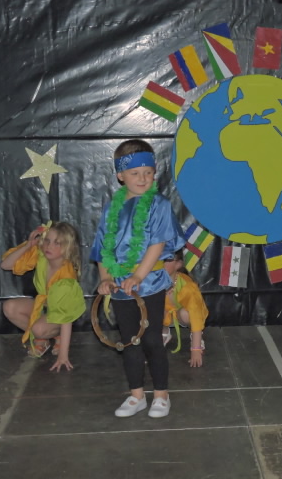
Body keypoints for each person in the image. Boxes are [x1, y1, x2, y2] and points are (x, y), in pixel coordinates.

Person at [91, 139, 185, 418]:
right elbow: (103, 248)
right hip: (121, 285)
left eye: (148, 172)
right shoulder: (111, 208)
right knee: (129, 340)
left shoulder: (159, 204)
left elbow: (158, 243)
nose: (143, 178)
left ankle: (161, 395)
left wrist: (138, 275)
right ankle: (136, 396)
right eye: (135, 173)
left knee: (152, 339)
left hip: (149, 281)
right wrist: (105, 278)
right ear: (121, 175)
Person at [1, 221, 86, 372]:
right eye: (47, 240)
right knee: (9, 307)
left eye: (57, 243)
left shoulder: (66, 278)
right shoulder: (41, 255)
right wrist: (28, 245)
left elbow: (66, 318)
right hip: (44, 307)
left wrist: (63, 356)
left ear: (68, 247)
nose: (49, 246)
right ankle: (42, 340)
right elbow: (5, 265)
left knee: (38, 329)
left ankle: (56, 336)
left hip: (61, 315)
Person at [162, 250, 209, 367]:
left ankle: (196, 336)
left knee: (185, 314)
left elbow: (195, 314)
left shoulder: (187, 286)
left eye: (166, 260)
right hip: (166, 314)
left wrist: (196, 349)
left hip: (185, 315)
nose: (160, 263)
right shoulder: (151, 283)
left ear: (178, 264)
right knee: (153, 309)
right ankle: (164, 333)